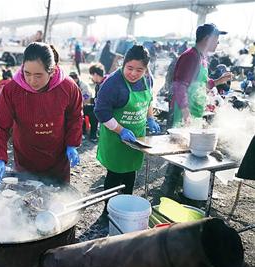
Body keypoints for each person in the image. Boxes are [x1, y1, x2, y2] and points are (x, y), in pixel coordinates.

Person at [0, 42, 83, 183]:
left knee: (57, 199)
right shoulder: (12, 90)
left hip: (57, 159)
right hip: (26, 158)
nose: (32, 81)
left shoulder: (68, 87)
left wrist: (72, 144)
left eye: (39, 75)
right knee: (26, 199)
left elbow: (75, 117)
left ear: (52, 71)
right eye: (27, 73)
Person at [163, 23, 232, 197]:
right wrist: (186, 111)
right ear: (208, 39)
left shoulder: (202, 57)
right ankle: (167, 193)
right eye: (216, 38)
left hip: (194, 111)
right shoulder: (190, 56)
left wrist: (218, 81)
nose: (218, 42)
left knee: (188, 152)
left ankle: (178, 189)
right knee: (177, 153)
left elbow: (201, 84)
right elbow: (179, 85)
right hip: (182, 111)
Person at [94, 45, 160, 195]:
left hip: (137, 137)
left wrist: (150, 118)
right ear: (123, 63)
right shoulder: (112, 83)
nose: (133, 74)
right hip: (116, 138)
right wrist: (121, 130)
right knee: (115, 175)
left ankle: (126, 204)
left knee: (131, 172)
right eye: (130, 68)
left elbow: (149, 99)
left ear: (145, 69)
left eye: (139, 70)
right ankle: (108, 210)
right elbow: (101, 112)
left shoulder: (147, 80)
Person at [69, 71, 97, 142]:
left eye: (73, 79)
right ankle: (81, 132)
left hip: (88, 105)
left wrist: (77, 102)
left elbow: (86, 96)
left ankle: (92, 134)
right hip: (77, 106)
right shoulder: (70, 84)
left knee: (88, 115)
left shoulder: (84, 85)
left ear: (76, 78)